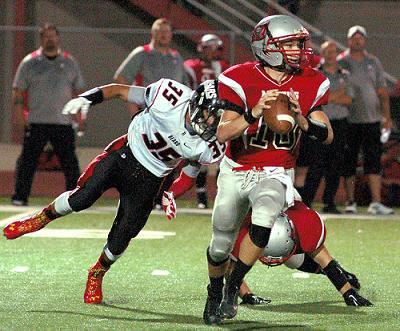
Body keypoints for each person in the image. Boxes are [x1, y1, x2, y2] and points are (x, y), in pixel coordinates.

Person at [3, 78, 227, 304]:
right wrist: (88, 98)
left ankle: (97, 272)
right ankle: (42, 218)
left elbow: (189, 174)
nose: (214, 122)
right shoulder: (170, 96)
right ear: (197, 103)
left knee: (123, 235)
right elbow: (120, 91)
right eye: (212, 114)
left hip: (150, 180)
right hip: (125, 154)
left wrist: (171, 193)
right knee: (82, 197)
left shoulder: (211, 143)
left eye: (218, 117)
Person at [201, 15, 334, 325]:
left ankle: (233, 288)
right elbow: (221, 133)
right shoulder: (238, 78)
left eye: (299, 43)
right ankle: (215, 289)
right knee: (220, 244)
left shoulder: (311, 80)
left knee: (264, 216)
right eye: (290, 44)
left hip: (276, 170)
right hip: (237, 169)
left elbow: (326, 134)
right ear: (267, 47)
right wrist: (253, 113)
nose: (299, 50)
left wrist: (302, 120)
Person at [230, 204, 372, 308]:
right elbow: (229, 266)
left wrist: (349, 293)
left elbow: (324, 259)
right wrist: (246, 294)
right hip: (251, 198)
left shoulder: (304, 222)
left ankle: (342, 274)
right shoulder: (240, 230)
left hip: (285, 199)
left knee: (294, 259)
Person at [114, 17, 189, 210]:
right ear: (152, 33)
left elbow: (183, 87)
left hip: (171, 119)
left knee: (169, 158)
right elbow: (121, 79)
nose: (164, 35)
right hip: (148, 116)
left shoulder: (175, 56)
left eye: (167, 31)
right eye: (160, 31)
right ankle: (130, 196)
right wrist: (134, 111)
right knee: (138, 157)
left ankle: (157, 198)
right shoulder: (142, 53)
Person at [11, 23, 85, 206]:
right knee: (27, 161)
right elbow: (18, 91)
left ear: (58, 38)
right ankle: (20, 196)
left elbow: (79, 93)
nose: (50, 39)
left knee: (70, 163)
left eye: (53, 36)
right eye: (46, 36)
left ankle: (75, 198)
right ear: (41, 39)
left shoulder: (70, 62)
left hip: (63, 122)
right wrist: (20, 116)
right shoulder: (30, 62)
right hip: (37, 122)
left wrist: (80, 118)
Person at [338, 25, 394, 215]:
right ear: (348, 40)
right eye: (354, 37)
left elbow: (382, 92)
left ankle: (376, 202)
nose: (358, 40)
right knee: (349, 162)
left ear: (365, 40)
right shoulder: (341, 62)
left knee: (373, 161)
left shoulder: (373, 62)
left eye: (361, 37)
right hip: (349, 119)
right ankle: (350, 201)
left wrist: (387, 116)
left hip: (372, 119)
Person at [301, 41, 354, 213]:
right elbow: (313, 98)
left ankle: (329, 202)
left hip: (340, 123)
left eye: (333, 51)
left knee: (335, 163)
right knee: (317, 162)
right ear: (322, 53)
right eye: (327, 51)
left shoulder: (345, 74)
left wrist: (328, 97)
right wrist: (337, 95)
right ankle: (307, 201)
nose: (331, 54)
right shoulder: (315, 74)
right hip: (320, 122)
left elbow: (349, 100)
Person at [184, 34, 230, 208]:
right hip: (198, 115)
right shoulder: (191, 66)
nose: (213, 52)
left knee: (222, 158)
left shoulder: (223, 67)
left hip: (219, 116)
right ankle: (201, 197)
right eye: (210, 48)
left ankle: (221, 195)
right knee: (200, 158)